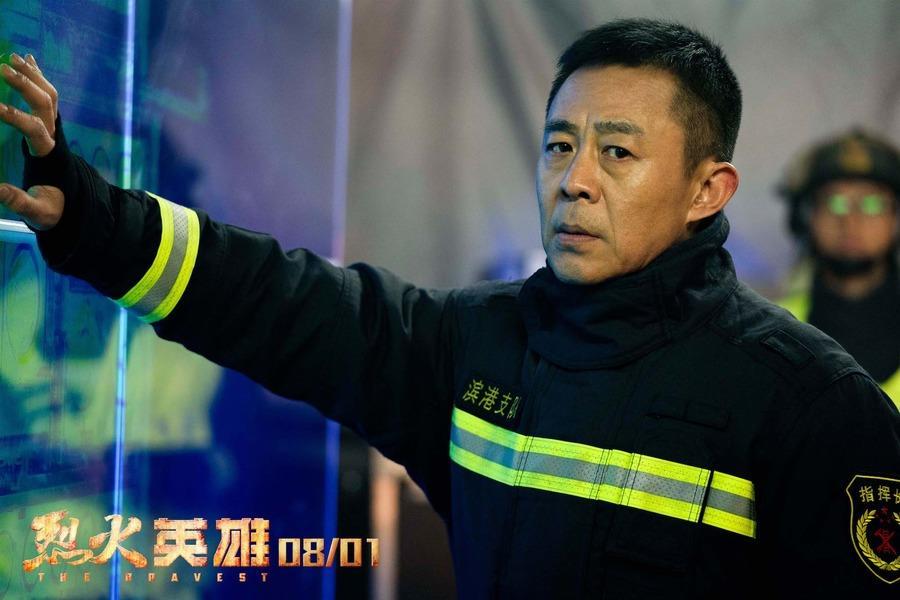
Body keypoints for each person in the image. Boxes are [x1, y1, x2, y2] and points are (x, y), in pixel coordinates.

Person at [1, 18, 899, 598]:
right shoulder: (473, 344)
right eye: (560, 145)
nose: (575, 181)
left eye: (618, 153)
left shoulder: (811, 405)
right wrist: (93, 221)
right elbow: (278, 298)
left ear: (709, 189)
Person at [778, 130, 900, 406]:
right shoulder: (769, 331)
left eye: (872, 204)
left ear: (895, 218)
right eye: (835, 203)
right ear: (805, 218)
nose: (851, 221)